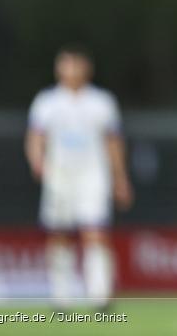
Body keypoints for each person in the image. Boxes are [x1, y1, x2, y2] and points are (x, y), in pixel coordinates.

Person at [24, 45, 133, 307]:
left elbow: (113, 143)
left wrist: (120, 178)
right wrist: (37, 161)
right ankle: (62, 297)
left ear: (87, 68)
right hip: (59, 175)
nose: (70, 69)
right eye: (65, 63)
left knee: (95, 231)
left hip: (92, 175)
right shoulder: (47, 102)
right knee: (59, 234)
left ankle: (100, 295)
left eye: (75, 64)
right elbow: (35, 137)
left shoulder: (101, 102)